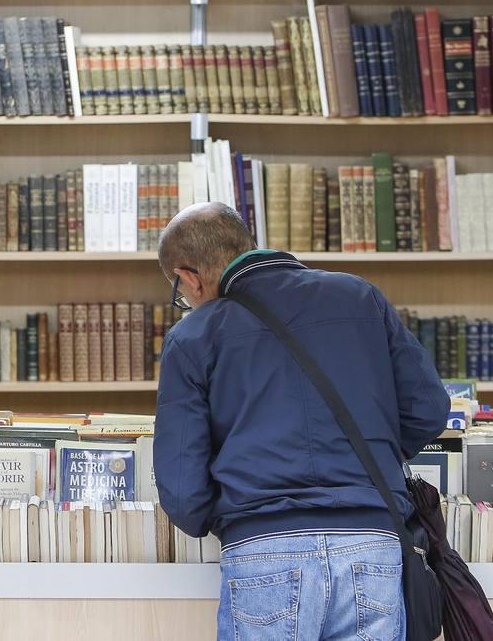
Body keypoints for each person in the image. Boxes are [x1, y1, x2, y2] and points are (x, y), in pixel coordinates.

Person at [153, 203, 449, 641]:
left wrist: (232, 517)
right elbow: (428, 410)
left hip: (261, 549)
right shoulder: (359, 296)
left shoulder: (193, 336)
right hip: (370, 542)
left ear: (191, 277)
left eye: (181, 291)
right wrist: (365, 461)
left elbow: (181, 487)